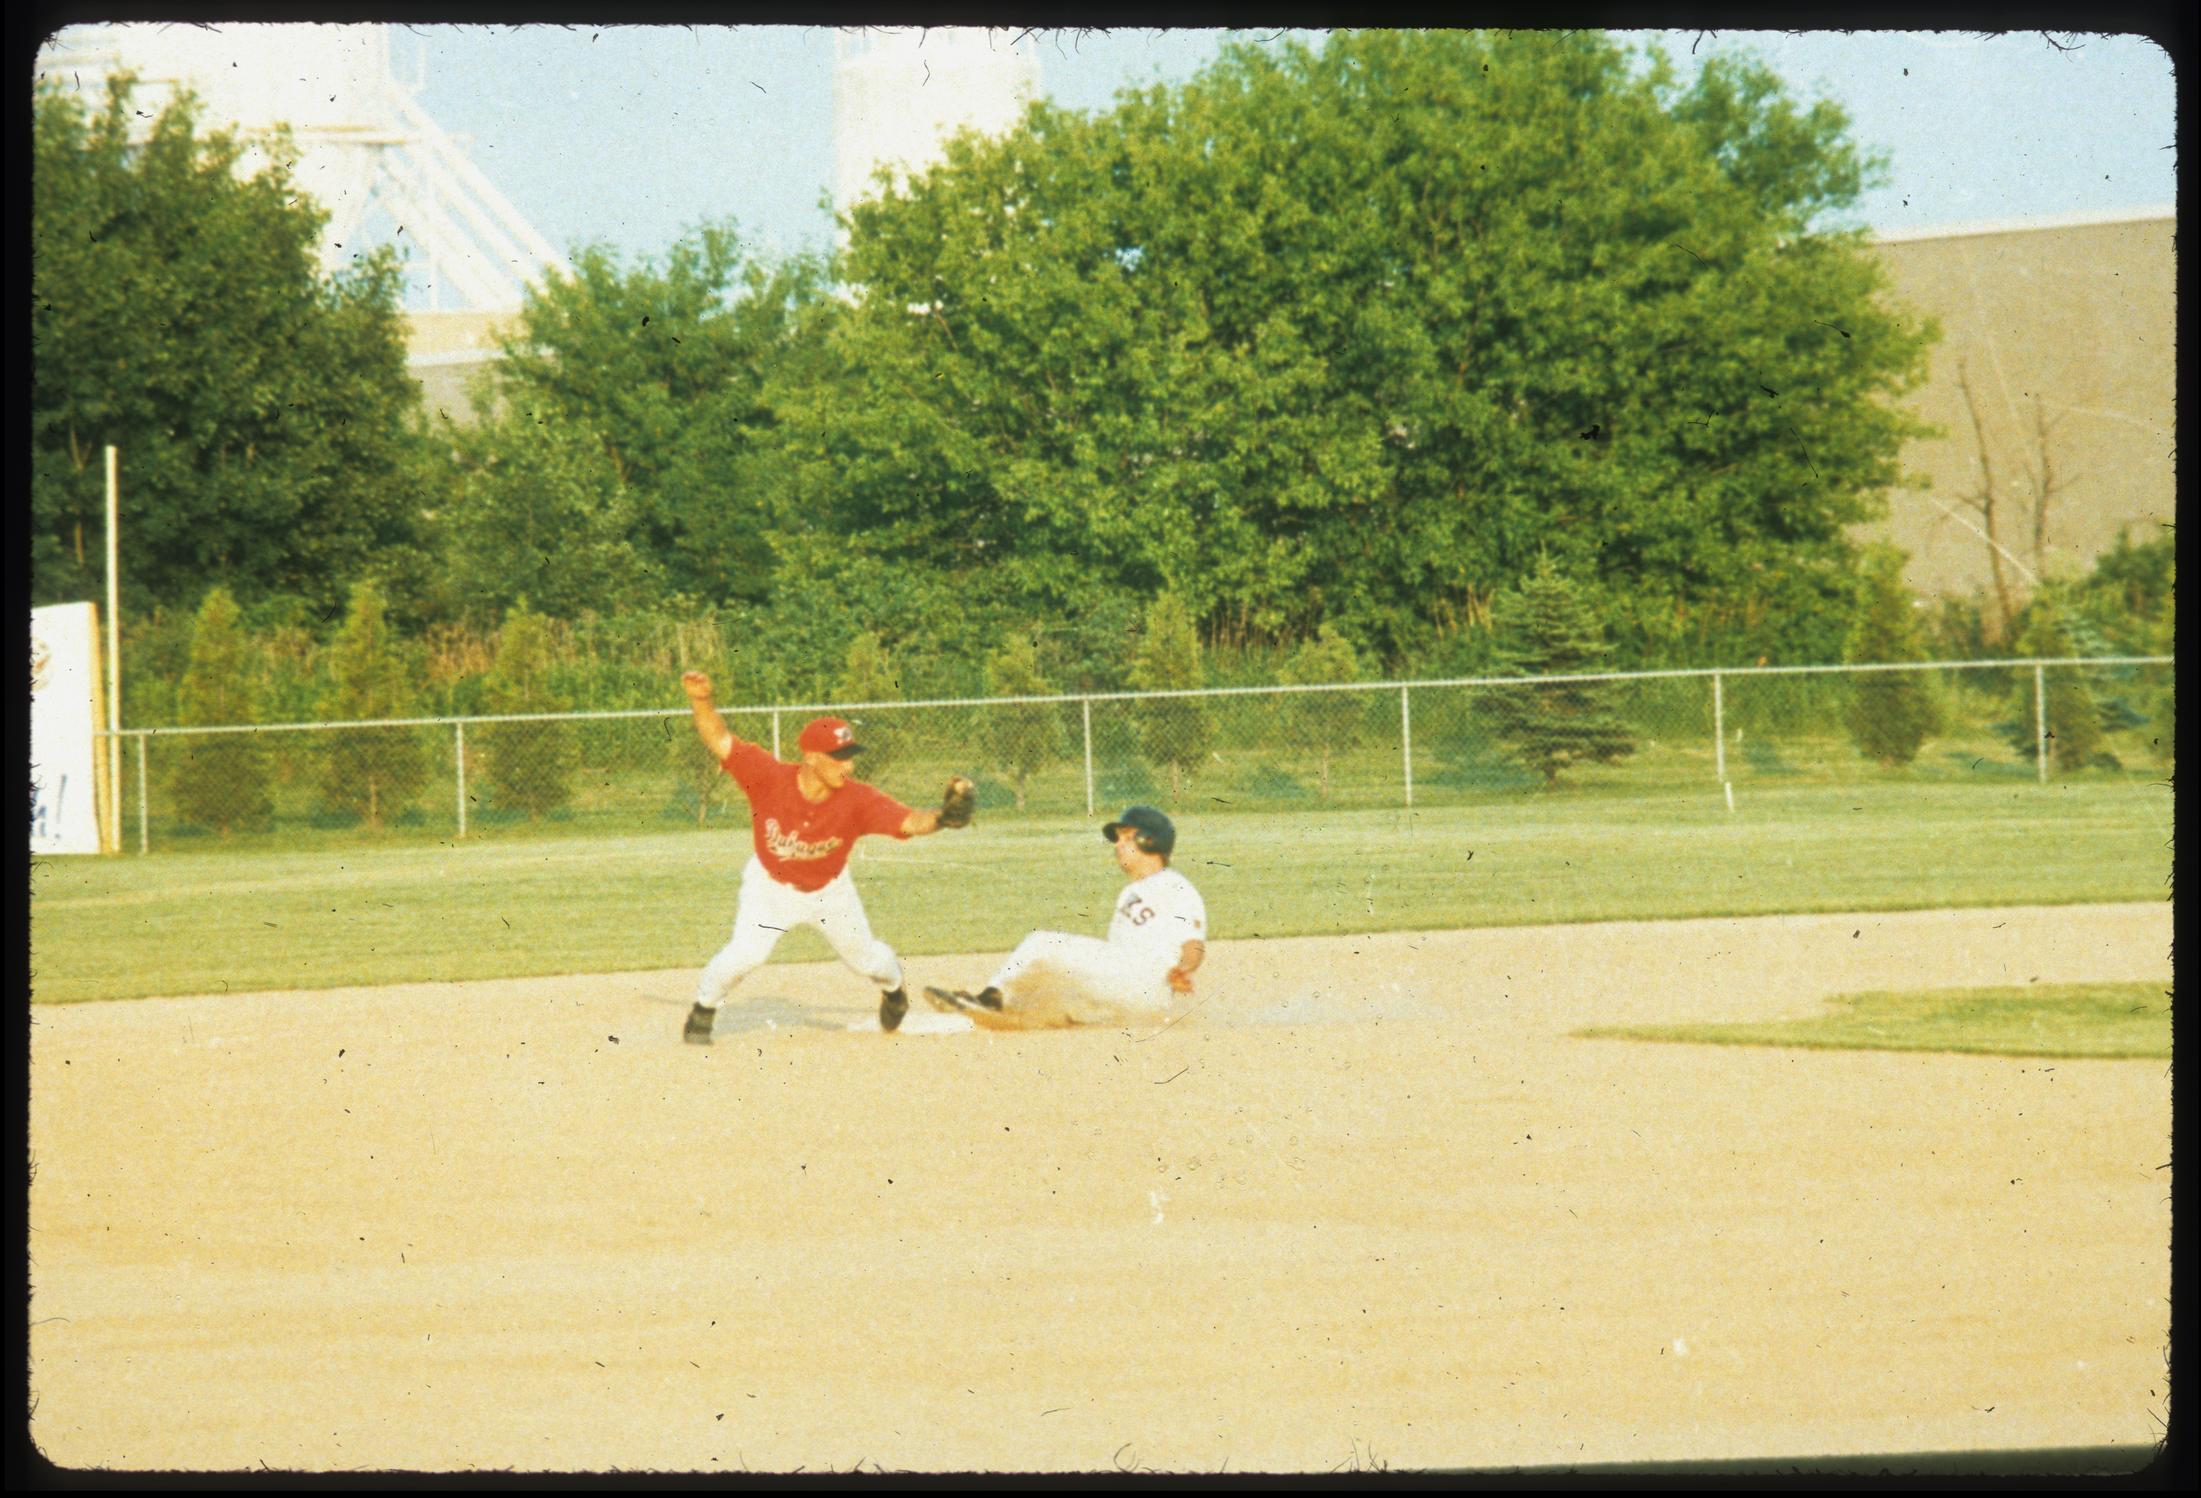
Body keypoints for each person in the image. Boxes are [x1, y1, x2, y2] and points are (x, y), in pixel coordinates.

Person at [677, 670, 975, 1042]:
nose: (847, 766)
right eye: (838, 757)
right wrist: (701, 700)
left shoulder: (858, 799)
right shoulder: (768, 777)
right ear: (811, 757)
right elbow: (719, 739)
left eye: (849, 756)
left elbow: (909, 820)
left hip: (829, 892)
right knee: (745, 954)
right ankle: (702, 1013)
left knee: (865, 959)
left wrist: (943, 819)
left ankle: (895, 991)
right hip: (770, 888)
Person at [925, 805, 1206, 1030]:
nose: (1118, 845)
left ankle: (991, 998)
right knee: (1053, 994)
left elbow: (1193, 943)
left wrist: (1185, 968)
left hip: (1147, 980)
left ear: (1149, 841)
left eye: (1127, 837)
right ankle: (1011, 1011)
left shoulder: (1176, 886)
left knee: (1041, 943)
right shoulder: (1130, 893)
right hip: (1133, 992)